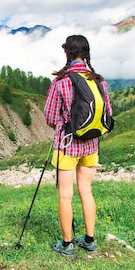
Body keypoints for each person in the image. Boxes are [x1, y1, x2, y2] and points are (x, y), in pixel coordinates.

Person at [43, 34, 112, 257]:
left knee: (65, 194)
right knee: (86, 191)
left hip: (67, 146)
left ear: (67, 53)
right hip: (91, 145)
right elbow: (107, 114)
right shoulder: (100, 81)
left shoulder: (60, 82)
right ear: (87, 54)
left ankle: (67, 244)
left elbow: (51, 117)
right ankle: (90, 240)